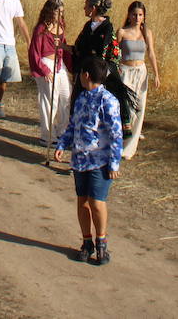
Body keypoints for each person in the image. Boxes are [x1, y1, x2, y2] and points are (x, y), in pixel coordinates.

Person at [53, 57, 122, 267]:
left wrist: (114, 163)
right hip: (80, 161)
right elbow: (73, 125)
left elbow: (115, 134)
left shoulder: (108, 100)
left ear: (86, 75)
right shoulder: (81, 98)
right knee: (82, 201)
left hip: (99, 162)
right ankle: (86, 242)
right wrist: (62, 144)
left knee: (96, 202)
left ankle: (101, 242)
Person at [70, 0, 133, 132]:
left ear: (93, 9)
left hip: (101, 72)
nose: (84, 9)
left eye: (86, 6)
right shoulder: (88, 26)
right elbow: (79, 48)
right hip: (86, 72)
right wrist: (63, 47)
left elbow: (113, 52)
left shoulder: (107, 28)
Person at [117, 1, 161, 160]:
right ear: (129, 15)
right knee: (126, 108)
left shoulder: (147, 33)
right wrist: (116, 69)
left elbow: (151, 54)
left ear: (144, 16)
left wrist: (156, 74)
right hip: (125, 71)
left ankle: (130, 147)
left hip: (140, 72)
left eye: (140, 15)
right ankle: (120, 140)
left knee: (139, 108)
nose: (137, 17)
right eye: (134, 14)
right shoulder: (122, 32)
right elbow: (114, 53)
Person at [30, 0, 73, 145]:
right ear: (50, 11)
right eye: (57, 11)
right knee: (49, 101)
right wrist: (44, 70)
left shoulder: (61, 25)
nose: (60, 14)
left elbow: (63, 46)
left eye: (62, 11)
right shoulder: (41, 28)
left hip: (59, 64)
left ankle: (62, 131)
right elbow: (34, 51)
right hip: (46, 63)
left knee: (66, 98)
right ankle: (47, 135)